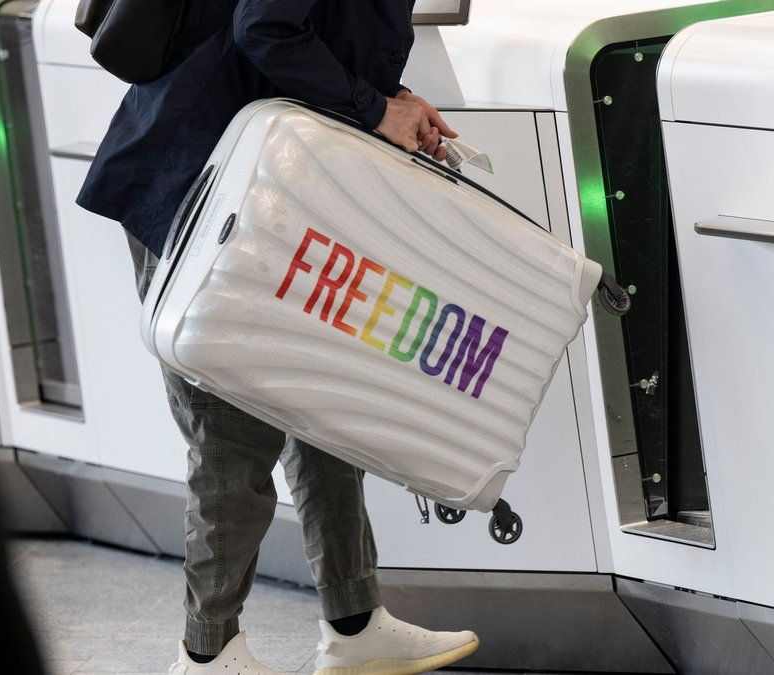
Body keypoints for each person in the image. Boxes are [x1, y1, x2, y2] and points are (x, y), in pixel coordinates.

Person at [75, 1, 476, 673]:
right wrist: (374, 109)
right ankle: (206, 653)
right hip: (200, 186)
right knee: (231, 434)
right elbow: (263, 25)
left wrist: (385, 98)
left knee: (322, 401)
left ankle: (354, 623)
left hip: (268, 183)